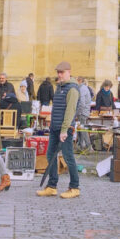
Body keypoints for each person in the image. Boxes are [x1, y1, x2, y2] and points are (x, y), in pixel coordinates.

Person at [37, 61, 81, 199]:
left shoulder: (72, 89)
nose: (59, 75)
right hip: (55, 127)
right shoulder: (59, 87)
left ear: (69, 72)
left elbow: (70, 111)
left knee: (68, 157)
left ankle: (74, 187)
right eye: (58, 72)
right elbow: (57, 108)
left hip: (65, 129)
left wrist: (64, 130)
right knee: (50, 155)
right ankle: (52, 186)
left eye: (61, 72)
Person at [76, 77, 93, 151]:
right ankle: (80, 145)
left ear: (80, 81)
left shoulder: (82, 89)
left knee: (83, 129)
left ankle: (88, 146)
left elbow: (81, 103)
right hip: (84, 112)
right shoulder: (83, 88)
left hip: (82, 112)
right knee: (80, 129)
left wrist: (77, 113)